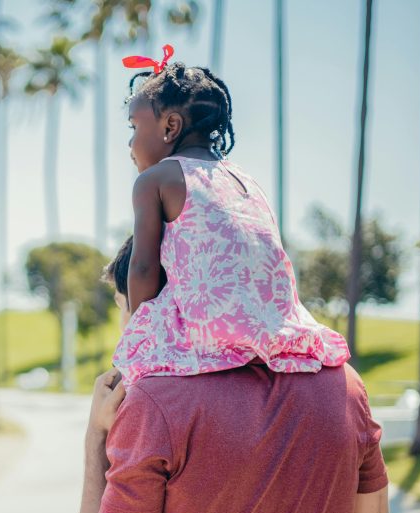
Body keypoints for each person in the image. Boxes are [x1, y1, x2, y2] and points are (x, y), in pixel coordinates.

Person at [74, 239, 390, 513]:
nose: (126, 328)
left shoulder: (155, 403)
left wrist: (95, 438)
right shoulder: (345, 386)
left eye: (123, 309)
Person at [114, 47, 350, 388]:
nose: (130, 142)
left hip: (210, 332)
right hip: (272, 328)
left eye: (134, 127)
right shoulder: (244, 179)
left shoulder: (156, 180)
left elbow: (143, 269)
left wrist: (137, 339)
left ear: (171, 127)